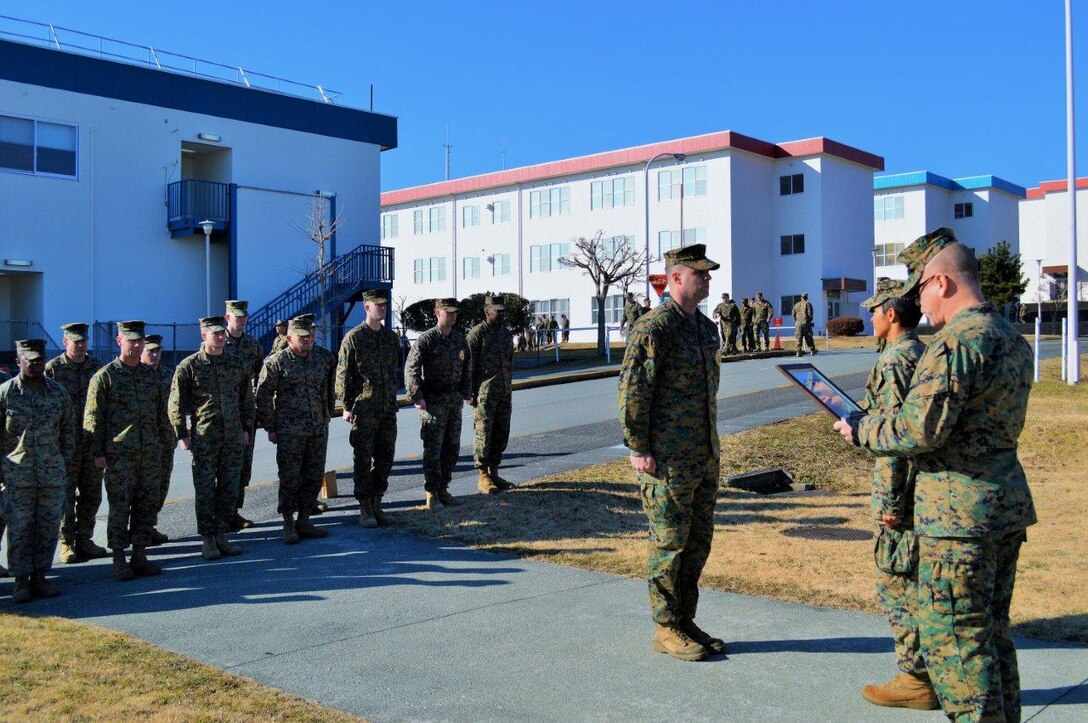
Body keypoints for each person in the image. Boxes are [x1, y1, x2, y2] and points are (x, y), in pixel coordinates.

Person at [834, 228, 1036, 721]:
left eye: (920, 288)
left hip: (956, 517)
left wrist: (862, 430)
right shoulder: (1010, 337)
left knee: (957, 646)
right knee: (990, 633)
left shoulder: (955, 343)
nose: (918, 304)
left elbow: (917, 429)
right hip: (1002, 506)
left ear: (942, 282)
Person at [618, 243, 725, 663]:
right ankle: (665, 627)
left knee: (697, 543)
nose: (708, 278)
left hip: (702, 454)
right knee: (669, 544)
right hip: (665, 459)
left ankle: (685, 619)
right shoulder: (654, 328)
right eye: (701, 273)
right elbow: (633, 392)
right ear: (676, 277)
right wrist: (639, 447)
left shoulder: (702, 327)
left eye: (708, 273)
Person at [854, 280, 934, 710]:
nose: (870, 318)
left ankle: (915, 678)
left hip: (902, 492)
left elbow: (894, 441)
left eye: (875, 311)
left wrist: (888, 504)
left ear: (892, 314)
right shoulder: (922, 353)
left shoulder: (896, 361)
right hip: (926, 489)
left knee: (899, 583)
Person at [84, 321, 171, 581]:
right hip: (120, 455)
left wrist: (165, 444)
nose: (136, 345)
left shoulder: (150, 376)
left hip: (150, 453)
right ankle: (119, 558)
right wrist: (97, 452)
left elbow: (161, 415)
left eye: (139, 341)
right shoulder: (105, 376)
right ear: (119, 341)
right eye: (130, 340)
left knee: (146, 505)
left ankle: (140, 555)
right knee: (120, 507)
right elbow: (93, 419)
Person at [169, 316, 254, 561]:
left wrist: (246, 428)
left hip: (233, 436)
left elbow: (246, 400)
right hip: (205, 438)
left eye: (221, 333)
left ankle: (221, 534)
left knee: (229, 488)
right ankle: (207, 539)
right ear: (203, 336)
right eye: (214, 333)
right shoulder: (189, 366)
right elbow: (175, 403)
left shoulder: (236, 364)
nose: (220, 337)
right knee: (206, 490)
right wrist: (182, 434)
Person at [0, 340, 75, 602]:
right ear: (18, 360)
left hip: (51, 475)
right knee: (20, 528)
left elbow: (68, 432)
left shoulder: (57, 393)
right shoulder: (6, 393)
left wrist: (62, 463)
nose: (35, 363)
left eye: (39, 359)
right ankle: (21, 581)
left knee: (47, 527)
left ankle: (41, 577)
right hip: (17, 474)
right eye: (29, 359)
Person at [257, 318, 336, 544]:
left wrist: (327, 414)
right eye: (302, 336)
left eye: (309, 336)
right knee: (290, 477)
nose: (307, 339)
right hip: (290, 431)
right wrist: (271, 427)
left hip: (317, 429)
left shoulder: (321, 360)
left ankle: (305, 519)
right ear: (289, 338)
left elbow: (327, 389)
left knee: (313, 475)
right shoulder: (276, 363)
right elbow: (262, 397)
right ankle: (288, 523)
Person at [336, 290, 401, 528]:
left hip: (386, 409)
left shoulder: (391, 338)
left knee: (385, 458)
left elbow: (395, 371)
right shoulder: (354, 338)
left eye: (384, 305)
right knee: (363, 459)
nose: (382, 308)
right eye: (378, 305)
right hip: (364, 409)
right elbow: (343, 374)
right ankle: (364, 507)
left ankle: (377, 502)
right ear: (366, 307)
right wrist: (346, 406)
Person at [45, 322, 107, 564]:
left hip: (92, 444)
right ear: (65, 343)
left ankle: (85, 539)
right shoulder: (53, 370)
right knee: (66, 496)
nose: (80, 346)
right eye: (75, 342)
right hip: (66, 446)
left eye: (83, 342)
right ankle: (67, 543)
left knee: (92, 494)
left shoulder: (96, 367)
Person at [404, 298, 473, 510]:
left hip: (453, 401)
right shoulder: (427, 340)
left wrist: (466, 394)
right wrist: (417, 396)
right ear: (437, 314)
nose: (452, 316)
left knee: (452, 447)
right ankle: (431, 492)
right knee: (433, 449)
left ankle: (443, 489)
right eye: (448, 312)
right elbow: (411, 368)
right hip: (433, 402)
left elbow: (467, 368)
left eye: (455, 312)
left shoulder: (460, 339)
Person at [466, 296, 515, 495]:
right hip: (484, 393)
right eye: (498, 311)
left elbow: (509, 361)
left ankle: (494, 472)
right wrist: (470, 393)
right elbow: (469, 366)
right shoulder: (477, 334)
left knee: (501, 432)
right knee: (483, 433)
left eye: (503, 310)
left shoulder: (506, 334)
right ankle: (483, 475)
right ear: (487, 311)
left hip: (504, 391)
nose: (502, 314)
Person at [222, 300, 262, 532]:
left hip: (245, 412)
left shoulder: (252, 345)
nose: (242, 320)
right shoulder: (216, 342)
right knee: (223, 466)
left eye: (244, 317)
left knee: (243, 466)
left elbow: (258, 375)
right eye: (237, 317)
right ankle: (222, 513)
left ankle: (234, 511)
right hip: (223, 413)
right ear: (228, 318)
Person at [141, 334, 175, 545]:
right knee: (141, 488)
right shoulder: (136, 375)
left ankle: (149, 525)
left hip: (164, 441)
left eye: (157, 351)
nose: (154, 355)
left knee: (161, 485)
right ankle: (137, 529)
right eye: (150, 351)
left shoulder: (169, 376)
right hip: (141, 442)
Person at [791, 293, 817, 357]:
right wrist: (809, 320)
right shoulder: (808, 304)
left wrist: (796, 321)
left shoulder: (796, 304)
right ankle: (812, 350)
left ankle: (798, 351)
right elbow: (810, 314)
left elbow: (793, 314)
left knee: (799, 337)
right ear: (807, 297)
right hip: (806, 323)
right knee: (808, 336)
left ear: (801, 297)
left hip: (798, 323)